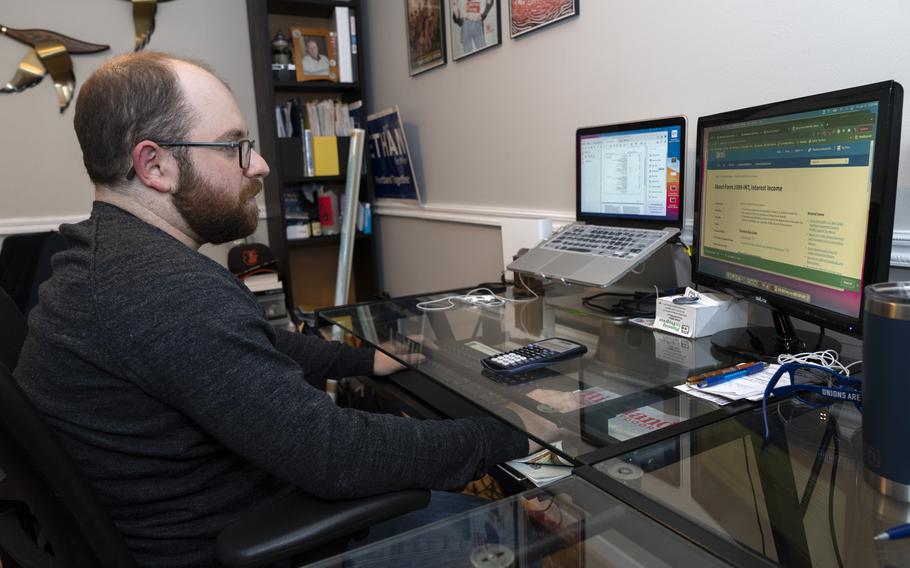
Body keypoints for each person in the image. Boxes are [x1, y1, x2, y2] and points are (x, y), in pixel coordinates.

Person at [13, 52, 531, 567]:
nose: (258, 165)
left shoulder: (105, 258)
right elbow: (335, 454)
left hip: (202, 520)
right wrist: (510, 433)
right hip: (241, 544)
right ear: (155, 165)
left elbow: (253, 342)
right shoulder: (165, 289)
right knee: (514, 533)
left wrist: (362, 362)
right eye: (235, 146)